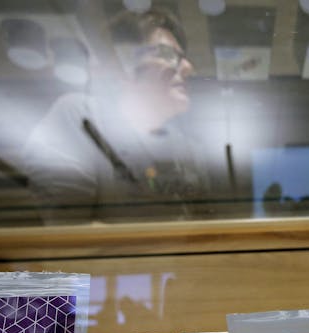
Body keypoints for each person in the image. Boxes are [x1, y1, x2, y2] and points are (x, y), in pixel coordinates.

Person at [23, 8, 210, 222]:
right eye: (167, 54)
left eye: (183, 58)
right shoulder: (79, 116)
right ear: (120, 67)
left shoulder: (185, 147)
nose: (187, 67)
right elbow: (70, 238)